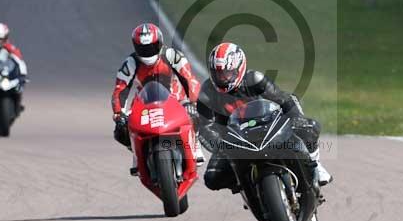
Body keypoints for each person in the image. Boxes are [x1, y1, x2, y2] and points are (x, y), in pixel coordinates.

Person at [197, 42, 332, 191]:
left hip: (267, 127)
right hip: (234, 140)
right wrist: (220, 145)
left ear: (239, 68)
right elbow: (204, 126)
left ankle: (315, 164)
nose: (222, 78)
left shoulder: (254, 79)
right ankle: (247, 187)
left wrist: (296, 116)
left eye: (227, 73)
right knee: (212, 178)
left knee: (309, 127)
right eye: (218, 73)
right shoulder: (207, 92)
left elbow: (284, 99)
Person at [111, 22, 202, 175]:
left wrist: (192, 101)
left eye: (151, 47)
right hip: (145, 102)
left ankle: (195, 142)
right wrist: (119, 113)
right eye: (143, 49)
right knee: (120, 129)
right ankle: (136, 152)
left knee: (194, 113)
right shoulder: (131, 62)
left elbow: (189, 79)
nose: (147, 52)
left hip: (176, 100)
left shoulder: (173, 56)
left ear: (160, 43)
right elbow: (121, 89)